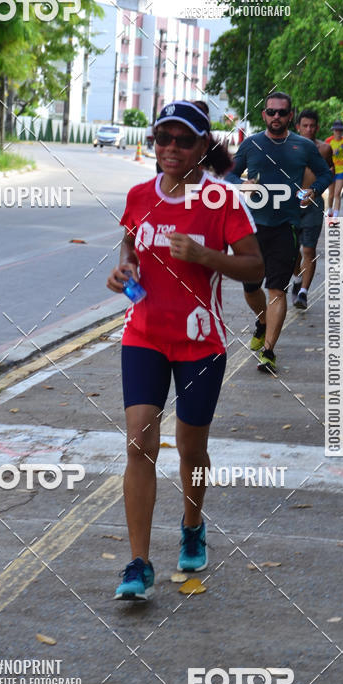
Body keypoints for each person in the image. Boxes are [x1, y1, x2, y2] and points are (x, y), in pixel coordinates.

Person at [106, 100, 263, 601]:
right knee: (138, 442)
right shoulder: (137, 195)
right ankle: (138, 563)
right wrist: (124, 270)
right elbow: (130, 246)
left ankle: (192, 525)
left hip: (201, 342)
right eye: (163, 139)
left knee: (191, 448)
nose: (170, 148)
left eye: (184, 140)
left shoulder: (223, 201)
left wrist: (204, 255)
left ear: (203, 147)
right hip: (144, 335)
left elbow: (255, 269)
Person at [225, 91, 333, 374]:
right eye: (271, 112)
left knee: (277, 290)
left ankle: (269, 350)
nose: (276, 117)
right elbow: (228, 175)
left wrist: (313, 191)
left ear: (290, 116)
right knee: (250, 289)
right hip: (251, 229)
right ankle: (262, 322)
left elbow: (325, 174)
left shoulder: (303, 147)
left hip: (286, 227)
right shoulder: (251, 145)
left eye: (281, 113)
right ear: (264, 115)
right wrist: (242, 184)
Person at [291, 109, 334, 310]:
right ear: (297, 127)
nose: (308, 129)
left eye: (312, 126)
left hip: (313, 205)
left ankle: (303, 293)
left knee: (308, 249)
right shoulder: (287, 146)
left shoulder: (324, 149)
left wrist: (318, 192)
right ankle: (297, 277)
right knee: (291, 251)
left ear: (317, 127)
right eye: (304, 125)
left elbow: (329, 173)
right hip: (289, 205)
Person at [325, 119, 343, 220]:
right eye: (336, 130)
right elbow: (324, 155)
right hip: (331, 170)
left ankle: (336, 214)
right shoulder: (328, 141)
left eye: (340, 130)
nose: (338, 132)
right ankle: (330, 209)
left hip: (342, 169)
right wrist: (331, 153)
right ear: (333, 130)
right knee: (331, 194)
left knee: (337, 193)